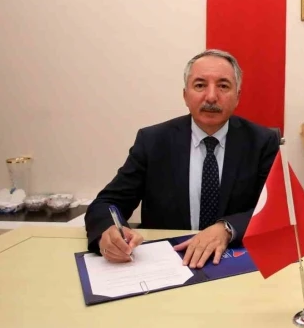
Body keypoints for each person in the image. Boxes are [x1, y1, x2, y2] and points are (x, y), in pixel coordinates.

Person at [85, 49, 279, 268]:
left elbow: (275, 209)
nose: (211, 97)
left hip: (234, 261)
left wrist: (227, 228)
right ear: (185, 95)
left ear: (237, 96)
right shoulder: (153, 141)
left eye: (223, 86)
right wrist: (109, 231)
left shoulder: (262, 142)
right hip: (170, 262)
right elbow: (107, 203)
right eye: (200, 85)